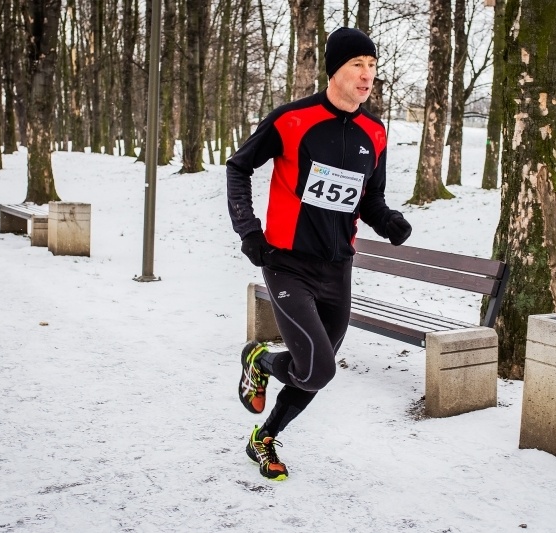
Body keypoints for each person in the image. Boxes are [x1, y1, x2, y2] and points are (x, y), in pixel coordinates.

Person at [226, 27, 412, 481]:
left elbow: (369, 198)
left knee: (313, 371)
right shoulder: (291, 120)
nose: (367, 75)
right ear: (335, 71)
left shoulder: (375, 132)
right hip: (287, 263)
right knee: (319, 368)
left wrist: (387, 220)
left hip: (338, 268)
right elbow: (238, 167)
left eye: (372, 66)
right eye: (357, 65)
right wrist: (249, 231)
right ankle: (260, 358)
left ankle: (264, 437)